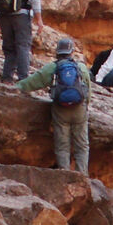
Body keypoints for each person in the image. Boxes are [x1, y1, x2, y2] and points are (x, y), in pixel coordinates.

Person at [16, 38, 90, 175]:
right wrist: (86, 106)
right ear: (72, 52)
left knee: (62, 145)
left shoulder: (52, 68)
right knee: (82, 145)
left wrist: (16, 87)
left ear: (58, 51)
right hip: (79, 109)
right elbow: (88, 90)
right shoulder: (81, 67)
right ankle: (82, 176)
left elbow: (32, 82)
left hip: (61, 109)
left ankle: (64, 174)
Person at [0, 0, 45, 82]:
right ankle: (23, 80)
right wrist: (39, 20)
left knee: (9, 47)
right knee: (23, 46)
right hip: (22, 15)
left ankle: (7, 78)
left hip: (4, 14)